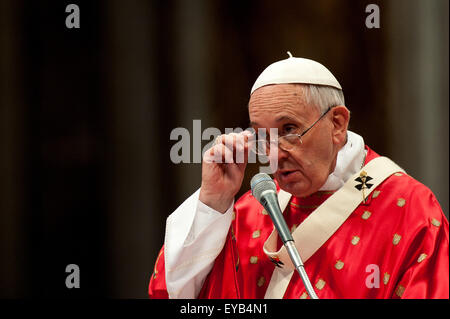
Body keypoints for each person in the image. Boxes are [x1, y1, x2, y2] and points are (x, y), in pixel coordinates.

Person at [148, 54, 449, 299]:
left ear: (337, 124)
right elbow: (173, 294)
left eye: (289, 130)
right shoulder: (253, 212)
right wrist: (212, 204)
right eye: (262, 136)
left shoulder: (409, 210)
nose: (274, 156)